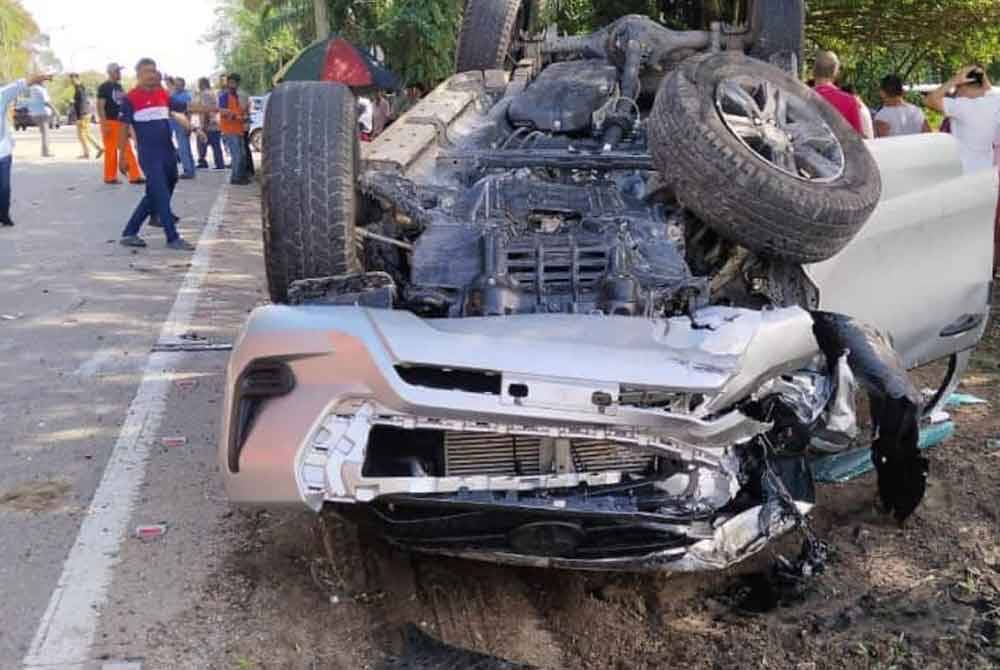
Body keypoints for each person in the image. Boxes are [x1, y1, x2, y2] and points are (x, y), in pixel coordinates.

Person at [117, 58, 215, 250]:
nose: (152, 74)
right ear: (138, 75)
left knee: (161, 188)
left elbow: (182, 110)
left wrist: (212, 112)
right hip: (149, 153)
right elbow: (123, 128)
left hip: (167, 151)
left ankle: (130, 232)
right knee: (160, 192)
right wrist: (122, 156)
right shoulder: (130, 99)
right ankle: (172, 237)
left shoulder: (162, 94)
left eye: (154, 71)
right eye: (147, 71)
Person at [926, 65, 1000, 174]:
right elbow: (988, 88)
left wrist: (954, 80)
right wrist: (979, 74)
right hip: (987, 170)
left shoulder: (962, 106)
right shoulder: (995, 102)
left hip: (965, 172)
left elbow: (930, 100)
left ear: (962, 85)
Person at [0, 73, 52, 227]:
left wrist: (41, 76)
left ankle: (3, 214)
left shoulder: (2, 94)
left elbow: (22, 83)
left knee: (4, 187)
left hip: (2, 152)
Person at [98, 63, 144, 185]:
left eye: (120, 71)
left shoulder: (119, 86)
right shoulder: (104, 87)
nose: (120, 74)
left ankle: (134, 176)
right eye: (118, 71)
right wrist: (104, 124)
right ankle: (110, 177)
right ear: (111, 72)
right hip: (110, 121)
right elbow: (100, 106)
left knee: (126, 148)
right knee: (111, 150)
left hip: (120, 121)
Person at [811, 51, 863, 135]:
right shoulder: (850, 101)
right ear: (836, 72)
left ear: (814, 71)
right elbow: (857, 139)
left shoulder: (799, 97)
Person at [219, 73, 249, 185]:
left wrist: (244, 116)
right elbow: (222, 111)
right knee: (237, 155)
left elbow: (238, 111)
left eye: (234, 83)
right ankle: (235, 178)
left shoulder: (235, 96)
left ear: (237, 84)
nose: (232, 85)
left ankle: (240, 176)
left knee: (242, 154)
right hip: (230, 130)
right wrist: (237, 117)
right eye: (230, 82)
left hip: (238, 129)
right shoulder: (224, 96)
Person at [70, 73, 102, 159]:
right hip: (85, 114)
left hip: (83, 114)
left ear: (78, 79)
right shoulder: (80, 88)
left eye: (73, 79)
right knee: (86, 134)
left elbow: (82, 104)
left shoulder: (79, 89)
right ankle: (99, 148)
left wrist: (79, 117)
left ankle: (86, 153)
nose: (72, 81)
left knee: (81, 135)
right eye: (71, 80)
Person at [195, 77, 224, 169]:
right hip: (215, 123)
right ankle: (220, 164)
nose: (198, 86)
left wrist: (203, 125)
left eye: (199, 84)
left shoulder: (205, 94)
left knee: (201, 143)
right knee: (216, 146)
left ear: (202, 84)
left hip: (209, 124)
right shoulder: (213, 93)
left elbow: (205, 110)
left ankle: (203, 162)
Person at [169, 77, 195, 179]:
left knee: (184, 148)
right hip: (174, 125)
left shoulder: (186, 96)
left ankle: (188, 170)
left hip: (182, 124)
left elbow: (188, 111)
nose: (176, 86)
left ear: (183, 85)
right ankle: (189, 169)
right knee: (183, 148)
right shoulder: (174, 94)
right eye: (175, 84)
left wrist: (188, 126)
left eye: (178, 84)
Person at [26, 79, 57, 157]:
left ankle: (45, 151)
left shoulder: (32, 88)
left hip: (35, 113)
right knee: (46, 133)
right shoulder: (41, 89)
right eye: (44, 81)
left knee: (43, 133)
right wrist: (55, 110)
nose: (45, 82)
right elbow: (46, 102)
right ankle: (46, 152)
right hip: (43, 113)